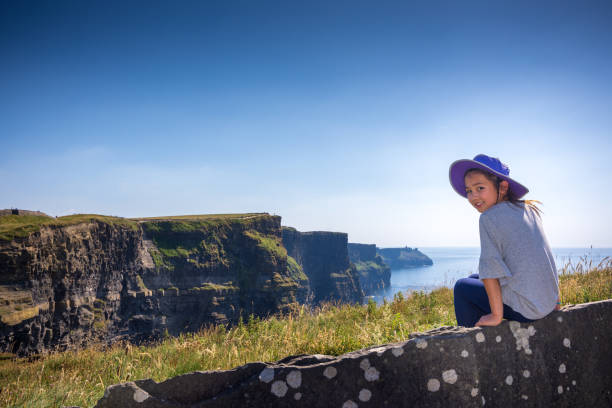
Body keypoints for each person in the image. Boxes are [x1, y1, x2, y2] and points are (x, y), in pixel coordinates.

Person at [449, 154, 560, 327]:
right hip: (547, 303)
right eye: (469, 190)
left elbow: (490, 271)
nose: (473, 196)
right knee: (473, 278)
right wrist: (556, 300)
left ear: (502, 187)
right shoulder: (528, 209)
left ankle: (474, 344)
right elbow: (545, 255)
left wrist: (495, 315)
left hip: (527, 309)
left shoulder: (488, 218)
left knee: (462, 288)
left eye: (480, 188)